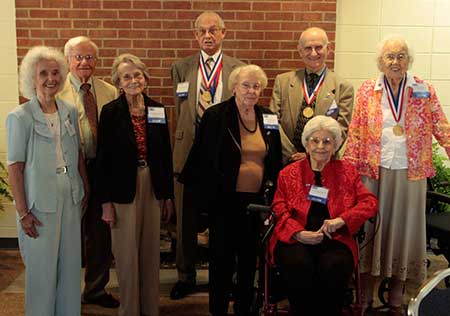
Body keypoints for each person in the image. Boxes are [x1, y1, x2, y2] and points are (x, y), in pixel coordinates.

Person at [344, 35, 450, 315]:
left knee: (403, 232)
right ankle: (364, 296)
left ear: (408, 60)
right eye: (390, 56)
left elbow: (441, 126)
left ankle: (396, 298)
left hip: (410, 173)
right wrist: (348, 174)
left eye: (401, 56)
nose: (395, 61)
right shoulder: (368, 89)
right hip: (372, 170)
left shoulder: (423, 89)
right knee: (370, 231)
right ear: (381, 61)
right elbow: (355, 132)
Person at [182, 64, 282, 315]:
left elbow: (275, 160)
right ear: (234, 87)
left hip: (256, 203)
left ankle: (244, 308)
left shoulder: (267, 116)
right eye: (246, 85)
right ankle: (217, 309)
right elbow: (203, 159)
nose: (251, 91)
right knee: (222, 260)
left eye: (256, 86)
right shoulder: (217, 116)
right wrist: (203, 204)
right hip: (224, 201)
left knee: (249, 260)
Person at [6, 46, 88, 316]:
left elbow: (77, 155)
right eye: (43, 73)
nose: (51, 78)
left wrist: (84, 189)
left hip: (70, 196)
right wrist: (22, 212)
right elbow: (15, 168)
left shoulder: (68, 110)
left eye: (56, 72)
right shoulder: (19, 117)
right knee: (42, 271)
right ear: (32, 78)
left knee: (70, 266)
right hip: (39, 202)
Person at [269, 115, 377, 316]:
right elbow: (278, 207)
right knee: (298, 264)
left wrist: (342, 220)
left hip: (335, 238)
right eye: (315, 140)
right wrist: (298, 233)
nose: (321, 146)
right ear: (306, 145)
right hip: (295, 239)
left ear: (335, 145)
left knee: (334, 266)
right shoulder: (288, 173)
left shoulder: (347, 172)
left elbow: (369, 202)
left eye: (327, 141)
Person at [170, 10, 245, 300]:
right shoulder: (181, 67)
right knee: (185, 218)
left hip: (223, 153)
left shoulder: (238, 68)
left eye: (214, 30)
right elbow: (180, 110)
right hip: (188, 150)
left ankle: (223, 278)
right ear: (195, 34)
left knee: (224, 219)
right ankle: (185, 275)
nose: (208, 36)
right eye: (202, 31)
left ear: (224, 33)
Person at [97, 53, 174, 316]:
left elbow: (165, 155)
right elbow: (103, 159)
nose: (133, 80)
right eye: (126, 77)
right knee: (127, 255)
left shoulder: (157, 110)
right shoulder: (110, 113)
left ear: (145, 78)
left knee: (151, 252)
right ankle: (129, 310)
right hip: (121, 190)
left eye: (137, 75)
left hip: (152, 184)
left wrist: (167, 196)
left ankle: (151, 309)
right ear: (118, 82)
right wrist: (105, 202)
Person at [57, 36, 119, 308]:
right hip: (68, 170)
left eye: (90, 57)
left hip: (101, 169)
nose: (84, 62)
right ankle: (66, 290)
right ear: (67, 59)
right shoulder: (55, 91)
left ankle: (95, 289)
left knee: (100, 234)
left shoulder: (109, 91)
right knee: (68, 233)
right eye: (78, 57)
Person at [270, 27, 354, 163]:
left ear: (329, 48)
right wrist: (291, 153)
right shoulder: (282, 82)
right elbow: (273, 122)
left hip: (323, 162)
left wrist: (312, 154)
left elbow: (340, 130)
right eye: (308, 48)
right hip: (287, 160)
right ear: (300, 51)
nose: (313, 53)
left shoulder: (343, 88)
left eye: (319, 47)